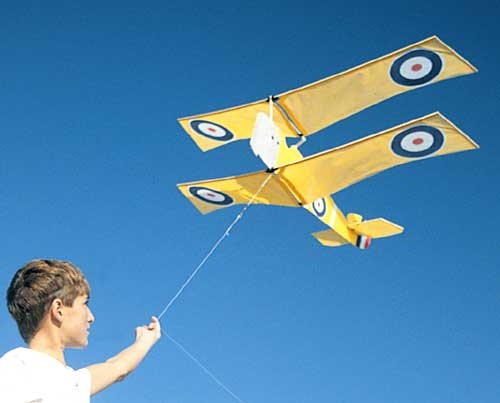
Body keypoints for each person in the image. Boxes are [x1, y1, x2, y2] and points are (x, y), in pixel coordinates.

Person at [0, 258, 161, 403]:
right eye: (84, 304)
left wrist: (145, 341)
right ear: (58, 310)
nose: (91, 317)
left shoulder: (66, 381)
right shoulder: (16, 369)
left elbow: (118, 368)